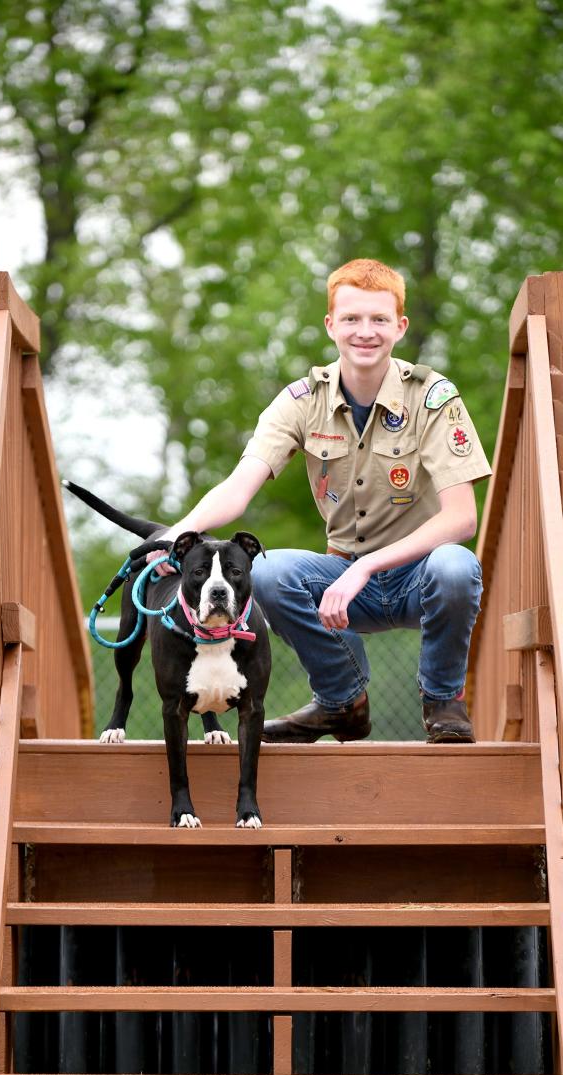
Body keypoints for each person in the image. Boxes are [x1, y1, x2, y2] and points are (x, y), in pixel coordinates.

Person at [151, 258, 492, 743]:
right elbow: (238, 487)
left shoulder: (433, 397)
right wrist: (174, 534)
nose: (365, 332)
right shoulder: (300, 400)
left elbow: (462, 518)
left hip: (420, 575)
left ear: (401, 326)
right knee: (265, 572)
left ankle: (443, 705)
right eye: (352, 319)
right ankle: (342, 702)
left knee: (457, 567)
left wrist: (366, 567)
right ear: (331, 325)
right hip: (341, 587)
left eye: (379, 319)